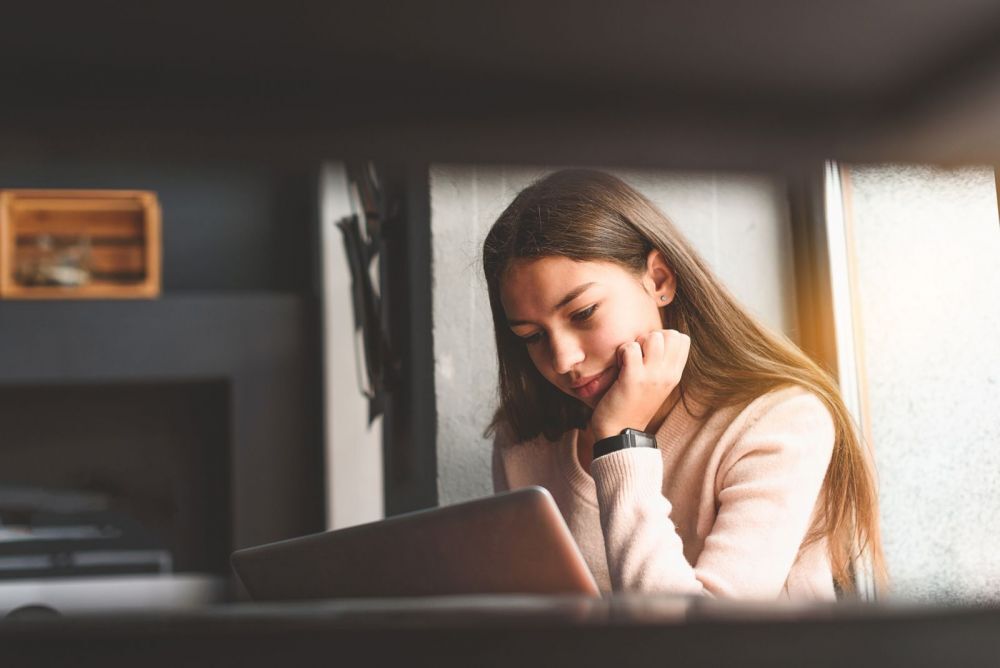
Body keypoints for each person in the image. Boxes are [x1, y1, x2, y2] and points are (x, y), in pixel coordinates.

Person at [482, 169, 886, 599]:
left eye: (583, 314)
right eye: (532, 336)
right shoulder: (524, 441)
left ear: (659, 280)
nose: (564, 360)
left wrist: (621, 442)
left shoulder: (780, 421)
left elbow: (699, 638)